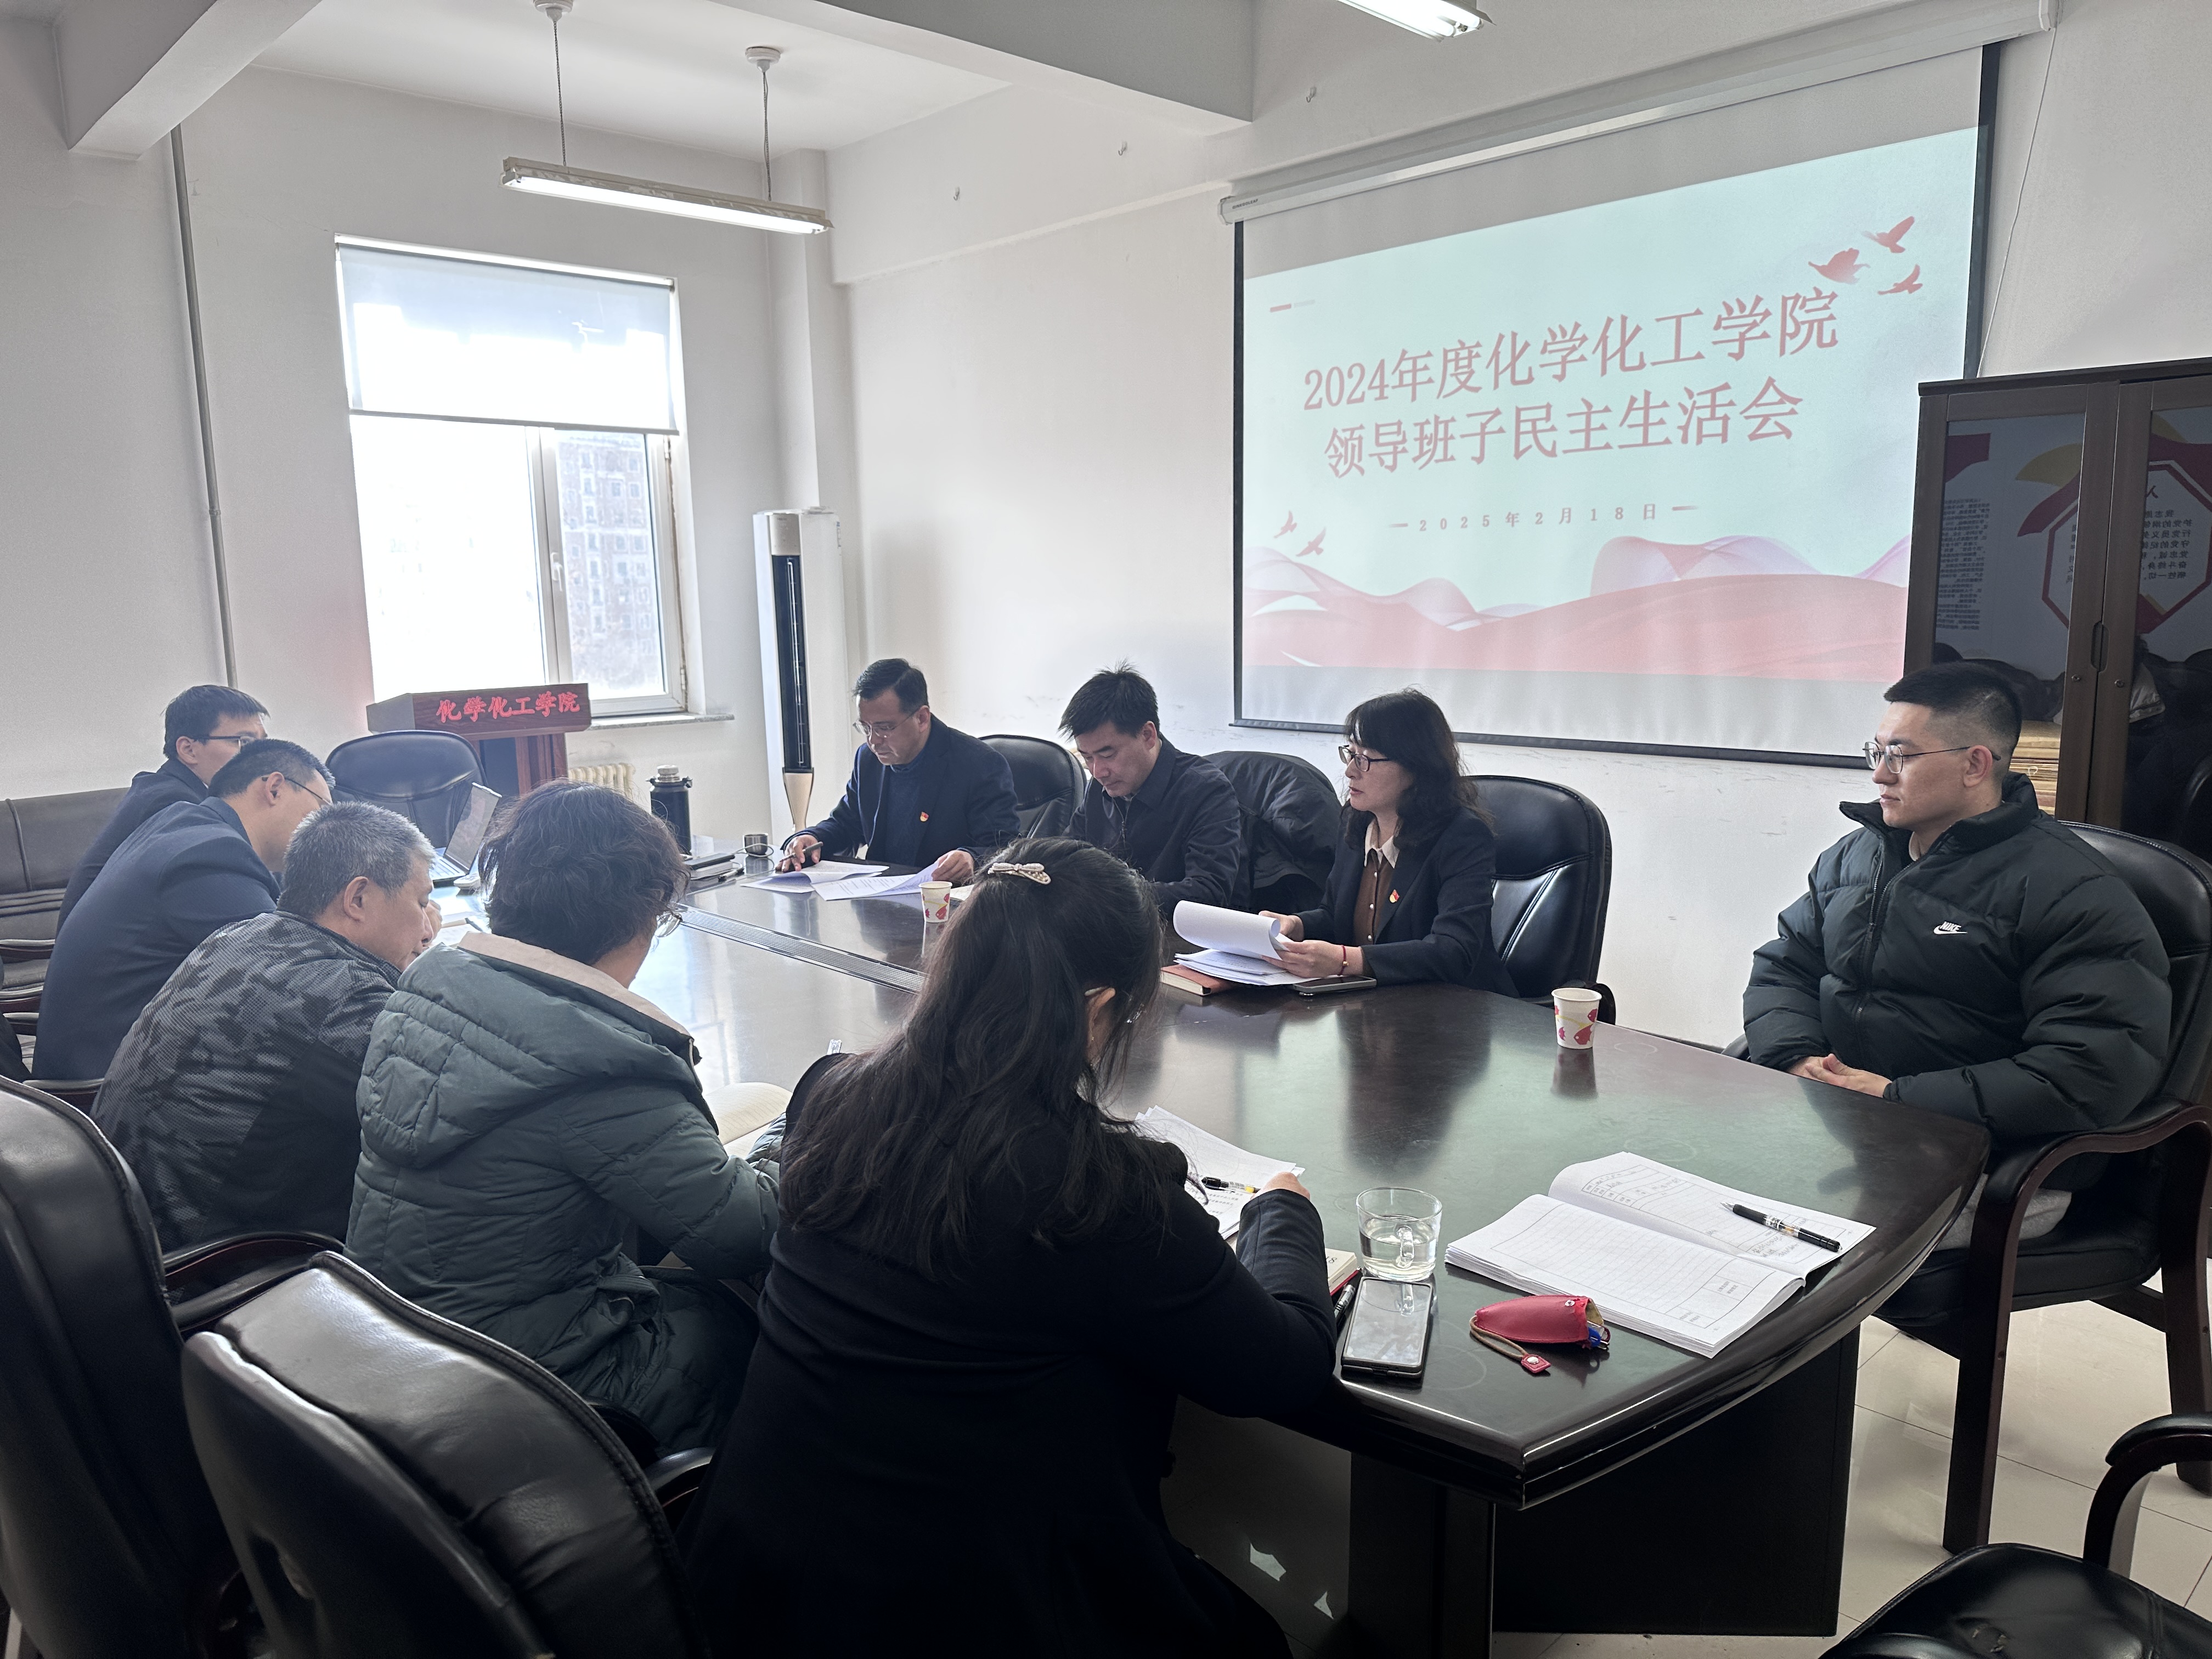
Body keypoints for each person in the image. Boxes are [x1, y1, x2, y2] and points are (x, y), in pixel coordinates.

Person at [682, 838, 1334, 1656]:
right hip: (973, 1615)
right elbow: (1284, 1369)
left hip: (750, 1596)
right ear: (1098, 1007)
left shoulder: (831, 1094)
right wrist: (1283, 1209)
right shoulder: (1098, 1191)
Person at [349, 781, 777, 1451]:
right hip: (538, 1391)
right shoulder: (600, 1060)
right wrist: (803, 1142)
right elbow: (743, 1234)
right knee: (763, 1326)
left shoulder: (426, 990)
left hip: (406, 1350)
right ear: (647, 911)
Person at [1743, 662, 2169, 1257]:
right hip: (1850, 1127)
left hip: (1995, 1164)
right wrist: (1797, 1056)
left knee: (1783, 1251)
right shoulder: (1857, 856)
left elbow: (2092, 1067)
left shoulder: (2069, 889)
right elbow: (1784, 966)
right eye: (1876, 751)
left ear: (1975, 764)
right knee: (1677, 1185)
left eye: (1901, 756)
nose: (1879, 774)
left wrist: (1899, 1099)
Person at [93, 803, 439, 1250]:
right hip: (221, 1266)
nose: (428, 929)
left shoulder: (239, 936)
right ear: (358, 899)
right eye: (421, 903)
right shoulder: (342, 997)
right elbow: (437, 1120)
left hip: (131, 1232)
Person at [34, 739, 330, 1082]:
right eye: (321, 810)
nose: (324, 829)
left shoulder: (184, 823)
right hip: (102, 1089)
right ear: (275, 788)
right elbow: (297, 982)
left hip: (92, 1064)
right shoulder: (213, 854)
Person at [1261, 690, 1516, 992]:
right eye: (1350, 754)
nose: (1350, 771)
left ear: (1416, 766)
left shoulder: (1462, 837)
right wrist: (1296, 925)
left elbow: (1454, 951)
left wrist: (1346, 960)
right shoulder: (1357, 821)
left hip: (1456, 1008)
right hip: (1374, 1003)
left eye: (1364, 759)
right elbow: (1335, 916)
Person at [777, 658, 1018, 884]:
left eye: (884, 728)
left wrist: (971, 858)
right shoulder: (867, 759)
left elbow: (1005, 849)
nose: (873, 741)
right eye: (865, 727)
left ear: (922, 718)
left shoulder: (979, 765)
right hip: (879, 897)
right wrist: (812, 838)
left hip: (944, 902)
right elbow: (847, 825)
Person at [58, 684, 269, 930]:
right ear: (189, 750)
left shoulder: (171, 790)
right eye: (244, 742)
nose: (263, 756)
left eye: (264, 743)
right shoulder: (174, 805)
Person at [1062, 663, 1246, 915]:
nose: (1098, 771)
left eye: (1108, 754)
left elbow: (1209, 893)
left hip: (1175, 935)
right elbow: (1067, 853)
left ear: (1148, 735)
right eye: (1088, 758)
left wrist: (1111, 892)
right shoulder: (1100, 785)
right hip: (1112, 927)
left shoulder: (1206, 791)